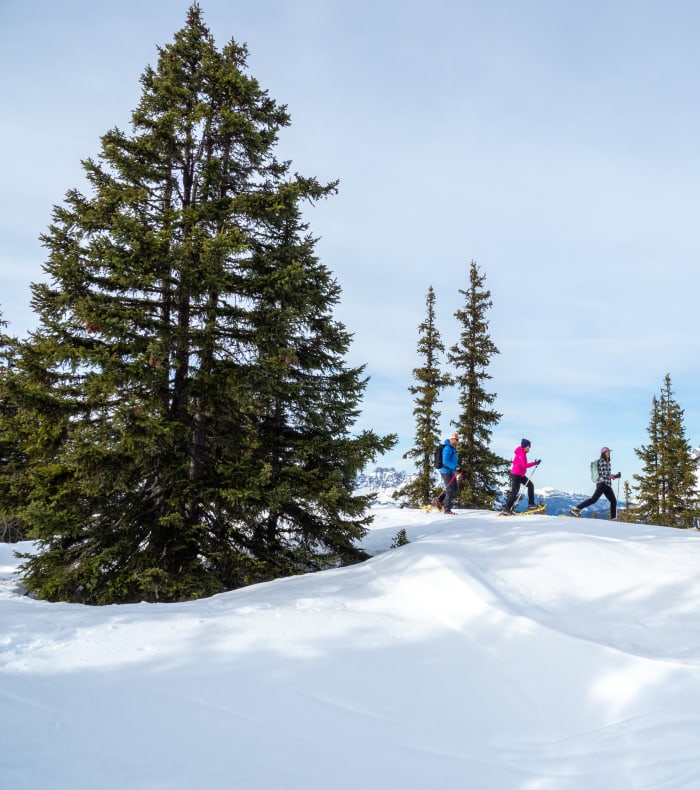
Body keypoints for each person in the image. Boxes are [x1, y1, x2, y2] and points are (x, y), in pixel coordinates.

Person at [570, 447, 620, 519]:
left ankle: (613, 518)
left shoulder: (607, 462)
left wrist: (615, 476)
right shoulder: (602, 461)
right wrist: (614, 476)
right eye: (607, 452)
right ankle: (576, 509)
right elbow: (604, 474)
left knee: (613, 501)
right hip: (602, 483)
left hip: (607, 484)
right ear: (603, 453)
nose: (609, 453)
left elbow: (607, 474)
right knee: (594, 499)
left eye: (609, 452)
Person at [501, 439, 541, 515]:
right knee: (515, 491)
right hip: (516, 474)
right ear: (525, 446)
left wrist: (534, 463)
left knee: (530, 485)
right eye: (529, 446)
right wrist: (534, 463)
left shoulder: (522, 453)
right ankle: (506, 509)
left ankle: (531, 504)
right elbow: (524, 465)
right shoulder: (521, 453)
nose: (530, 447)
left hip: (520, 475)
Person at [433, 432, 461, 514]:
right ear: (451, 439)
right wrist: (455, 467)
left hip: (451, 472)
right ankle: (447, 509)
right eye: (456, 439)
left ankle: (438, 500)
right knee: (450, 490)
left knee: (454, 489)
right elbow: (445, 461)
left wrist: (460, 468)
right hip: (446, 471)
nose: (457, 441)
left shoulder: (453, 449)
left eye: (458, 439)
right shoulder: (447, 448)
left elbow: (454, 462)